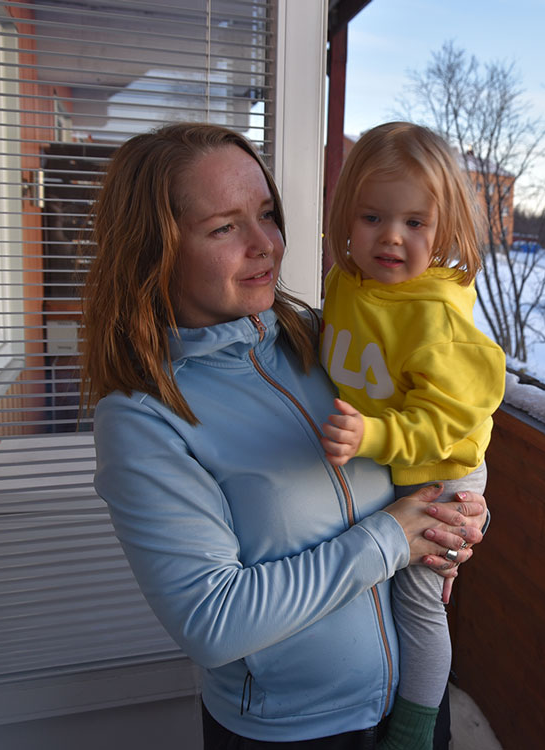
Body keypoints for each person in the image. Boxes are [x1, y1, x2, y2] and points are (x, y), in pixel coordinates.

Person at [81, 122, 488, 749]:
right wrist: (391, 539)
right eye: (224, 227)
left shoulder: (328, 342)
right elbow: (212, 621)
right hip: (294, 734)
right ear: (154, 249)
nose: (265, 244)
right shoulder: (143, 417)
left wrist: (455, 520)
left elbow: (435, 434)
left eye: (267, 214)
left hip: (410, 704)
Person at [318, 122, 506, 750]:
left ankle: (415, 729)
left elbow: (441, 423)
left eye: (415, 223)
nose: (391, 237)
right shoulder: (347, 286)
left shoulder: (436, 318)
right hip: (386, 460)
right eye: (372, 216)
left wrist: (370, 434)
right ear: (346, 215)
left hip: (439, 466)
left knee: (420, 599)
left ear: (444, 229)